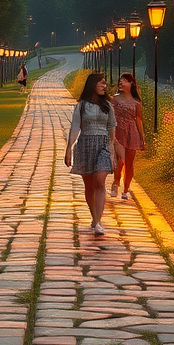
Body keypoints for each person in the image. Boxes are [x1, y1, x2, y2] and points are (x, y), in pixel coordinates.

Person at [64, 72, 116, 235]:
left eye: (105, 83)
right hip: (85, 144)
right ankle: (94, 217)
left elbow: (112, 129)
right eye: (101, 83)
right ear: (93, 84)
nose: (104, 86)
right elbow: (75, 127)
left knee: (100, 181)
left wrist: (112, 152)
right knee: (89, 185)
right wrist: (68, 149)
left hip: (103, 145)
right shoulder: (82, 105)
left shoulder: (107, 105)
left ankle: (99, 222)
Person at [110, 72, 146, 201]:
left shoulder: (136, 102)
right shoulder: (115, 99)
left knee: (129, 164)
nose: (121, 82)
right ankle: (115, 182)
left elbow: (138, 119)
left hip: (132, 133)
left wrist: (142, 137)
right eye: (120, 80)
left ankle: (125, 190)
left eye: (124, 80)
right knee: (119, 161)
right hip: (119, 131)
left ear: (131, 83)